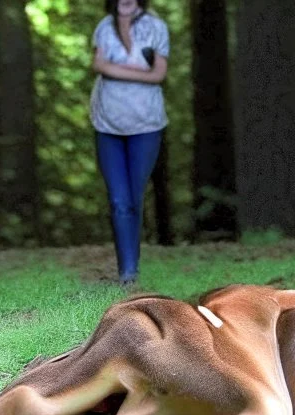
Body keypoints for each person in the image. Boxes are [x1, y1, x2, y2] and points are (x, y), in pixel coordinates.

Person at [90, 0, 169, 284]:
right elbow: (97, 63)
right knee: (119, 200)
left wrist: (112, 69)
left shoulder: (156, 27)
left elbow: (159, 73)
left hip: (146, 126)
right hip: (106, 125)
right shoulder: (104, 27)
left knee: (134, 198)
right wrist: (140, 74)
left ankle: (132, 265)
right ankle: (127, 274)